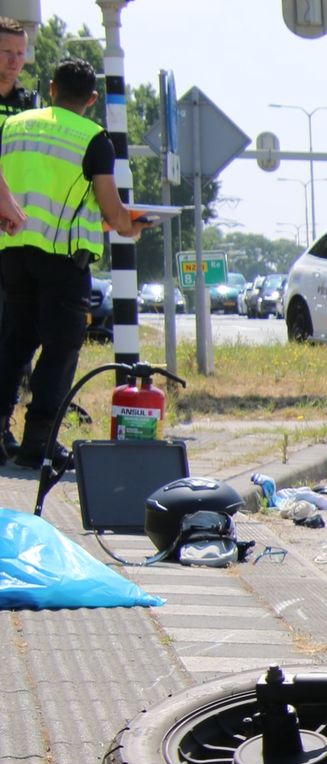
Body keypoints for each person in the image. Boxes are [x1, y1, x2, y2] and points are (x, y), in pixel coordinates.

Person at [0, 58, 150, 470]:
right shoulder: (93, 138)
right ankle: (39, 441)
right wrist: (132, 226)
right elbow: (113, 211)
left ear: (51, 88)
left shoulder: (14, 125)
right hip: (63, 262)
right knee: (60, 349)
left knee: (14, 343)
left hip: (12, 251)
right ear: (92, 98)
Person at [0, 17, 36, 459]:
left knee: (15, 337)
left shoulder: (29, 107)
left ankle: (5, 423)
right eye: (6, 52)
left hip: (19, 239)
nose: (13, 62)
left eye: (19, 53)